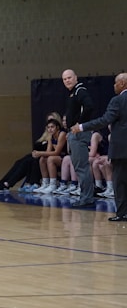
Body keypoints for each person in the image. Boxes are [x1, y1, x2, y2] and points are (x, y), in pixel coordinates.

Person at [71, 73, 127, 221]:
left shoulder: (118, 100)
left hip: (122, 149)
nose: (114, 86)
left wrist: (82, 126)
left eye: (116, 83)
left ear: (122, 83)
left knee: (120, 182)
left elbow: (105, 120)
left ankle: (122, 213)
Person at [0, 112, 63, 193]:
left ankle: (9, 184)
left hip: (48, 157)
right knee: (19, 162)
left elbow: (54, 151)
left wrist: (39, 153)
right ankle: (1, 183)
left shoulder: (59, 135)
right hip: (40, 155)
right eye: (48, 123)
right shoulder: (46, 135)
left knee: (29, 161)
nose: (49, 126)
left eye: (52, 122)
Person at [62, 69, 95, 207]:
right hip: (73, 134)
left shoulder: (79, 90)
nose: (67, 80)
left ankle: (87, 198)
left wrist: (79, 124)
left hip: (79, 134)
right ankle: (85, 195)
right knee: (79, 166)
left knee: (82, 166)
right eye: (64, 79)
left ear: (76, 78)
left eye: (69, 77)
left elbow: (89, 106)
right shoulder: (72, 93)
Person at [32, 118, 67, 193]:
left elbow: (57, 152)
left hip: (66, 157)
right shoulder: (51, 136)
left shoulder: (62, 134)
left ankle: (53, 184)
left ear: (57, 127)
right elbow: (48, 152)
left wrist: (39, 153)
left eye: (52, 127)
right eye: (48, 127)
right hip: (58, 157)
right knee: (43, 159)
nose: (50, 129)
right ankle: (45, 183)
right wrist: (39, 154)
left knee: (50, 159)